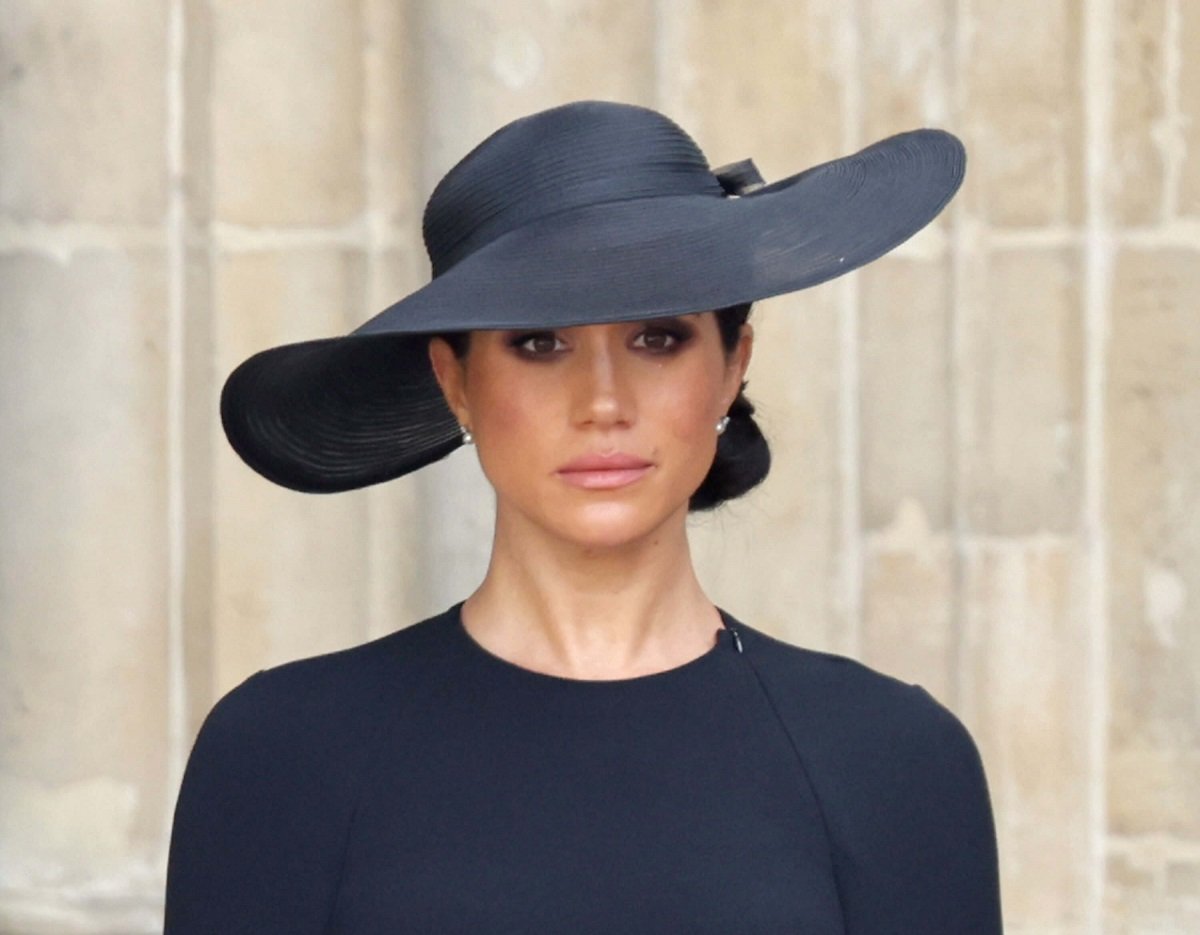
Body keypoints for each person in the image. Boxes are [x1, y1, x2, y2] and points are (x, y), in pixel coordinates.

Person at [164, 100, 1003, 933]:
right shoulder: (283, 753)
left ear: (731, 369)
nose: (602, 401)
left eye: (657, 337)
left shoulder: (892, 758)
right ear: (455, 381)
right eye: (539, 341)